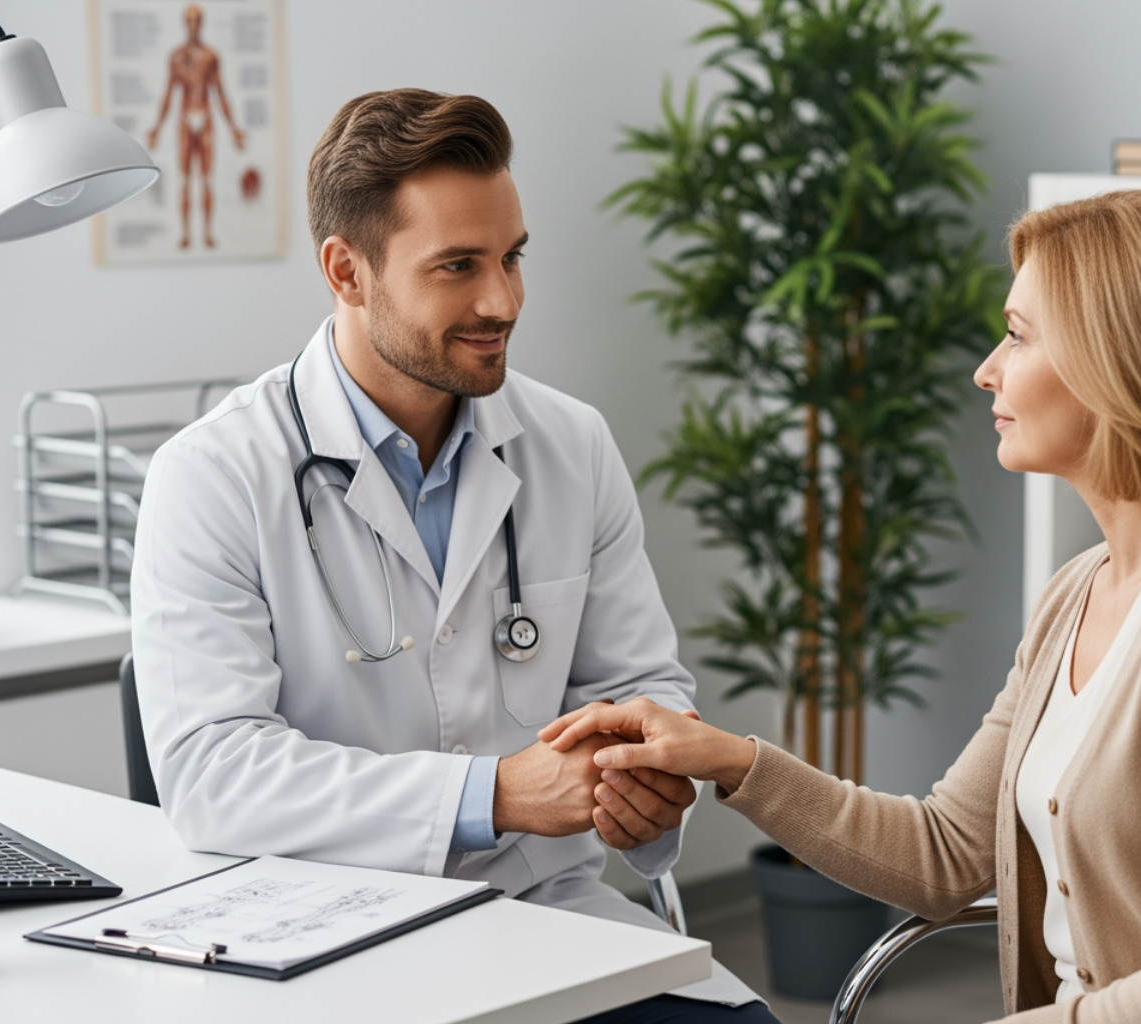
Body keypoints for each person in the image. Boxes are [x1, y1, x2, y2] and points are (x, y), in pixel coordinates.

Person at [542, 190, 1141, 1023]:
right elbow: (949, 850)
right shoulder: (1081, 589)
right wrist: (729, 760)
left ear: (1124, 365)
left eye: (1018, 336)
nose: (986, 368)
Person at [131, 89, 770, 1021]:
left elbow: (640, 682)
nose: (501, 301)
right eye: (458, 266)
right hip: (325, 936)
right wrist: (493, 794)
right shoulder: (213, 473)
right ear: (347, 272)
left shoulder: (570, 443)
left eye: (512, 258)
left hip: (547, 914)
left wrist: (645, 774)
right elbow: (214, 773)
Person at [145, 3, 246, 249]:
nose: (193, 25)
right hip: (185, 118)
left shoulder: (211, 56)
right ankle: (187, 234)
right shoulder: (176, 57)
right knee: (186, 179)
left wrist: (233, 128)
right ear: (185, 24)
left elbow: (220, 93)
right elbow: (168, 94)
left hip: (205, 117)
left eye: (197, 21)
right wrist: (157, 128)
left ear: (201, 24)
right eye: (189, 21)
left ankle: (208, 233)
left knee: (206, 178)